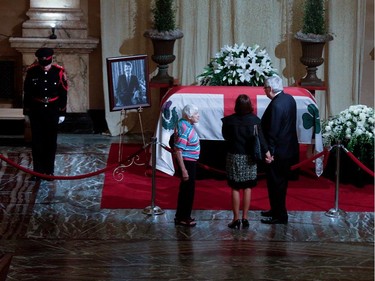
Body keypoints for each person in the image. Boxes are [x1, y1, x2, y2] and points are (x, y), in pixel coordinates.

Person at [222, 94, 271, 229]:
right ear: (250, 106)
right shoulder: (255, 121)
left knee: (235, 187)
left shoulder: (228, 121)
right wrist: (268, 154)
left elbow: (226, 137)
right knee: (248, 187)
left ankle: (236, 219)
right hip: (250, 157)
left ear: (236, 106)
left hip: (234, 156)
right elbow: (261, 139)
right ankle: (245, 218)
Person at [23, 47, 68, 181]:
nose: (45, 64)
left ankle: (49, 172)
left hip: (52, 111)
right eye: (42, 60)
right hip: (36, 110)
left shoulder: (59, 72)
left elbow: (63, 93)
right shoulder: (32, 72)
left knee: (50, 142)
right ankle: (38, 172)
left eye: (46, 61)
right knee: (37, 142)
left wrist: (62, 112)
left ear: (51, 58)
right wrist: (26, 112)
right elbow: (27, 93)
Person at [260, 75, 299, 224]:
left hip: (278, 152)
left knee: (276, 184)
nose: (264, 91)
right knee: (280, 183)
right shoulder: (289, 99)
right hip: (288, 149)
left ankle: (279, 215)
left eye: (264, 88)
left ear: (270, 89)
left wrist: (269, 152)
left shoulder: (276, 105)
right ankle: (275, 210)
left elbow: (273, 131)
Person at [173, 104, 200, 227]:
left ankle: (181, 216)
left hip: (189, 162)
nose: (198, 116)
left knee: (185, 191)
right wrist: (184, 170)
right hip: (188, 163)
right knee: (188, 192)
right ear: (189, 117)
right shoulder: (186, 129)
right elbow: (178, 150)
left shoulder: (183, 123)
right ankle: (184, 217)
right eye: (196, 114)